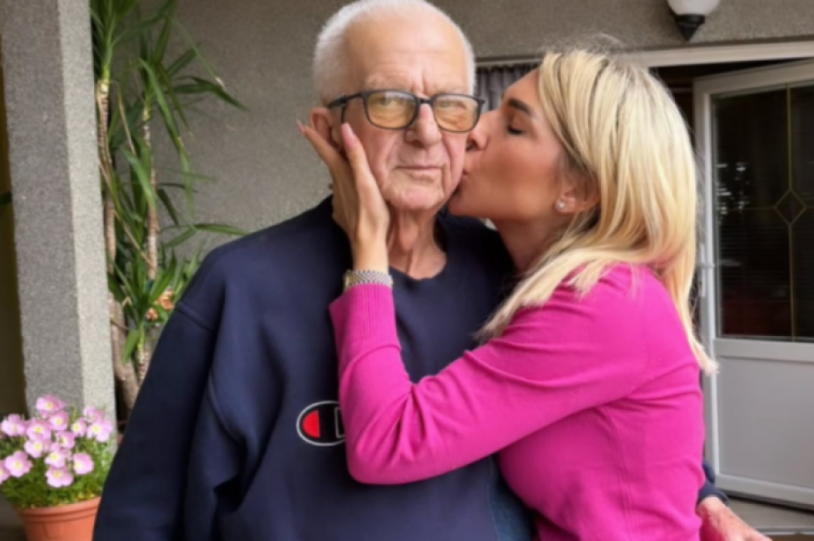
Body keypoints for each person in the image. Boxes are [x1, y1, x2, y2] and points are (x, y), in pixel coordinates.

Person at [93, 1, 767, 540]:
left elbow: (625, 424)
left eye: (451, 105)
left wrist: (702, 496)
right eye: (390, 102)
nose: (430, 133)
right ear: (328, 129)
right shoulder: (241, 286)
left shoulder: (522, 279)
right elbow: (144, 509)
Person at [305, 44, 710, 540]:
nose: (473, 132)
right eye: (491, 109)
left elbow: (385, 442)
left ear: (579, 189)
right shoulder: (538, 277)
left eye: (514, 126)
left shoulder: (605, 302)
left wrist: (368, 244)